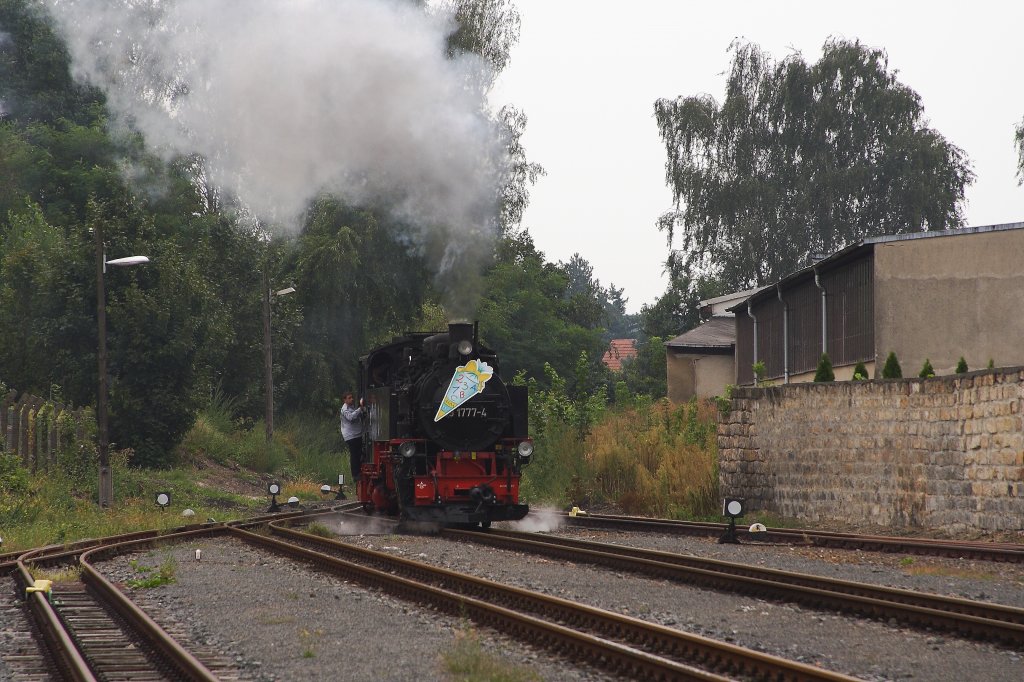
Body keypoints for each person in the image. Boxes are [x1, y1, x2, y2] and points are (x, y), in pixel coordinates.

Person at [340, 392, 366, 481]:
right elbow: (351, 417)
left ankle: (359, 471)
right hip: (351, 436)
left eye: (352, 397)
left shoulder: (352, 407)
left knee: (359, 453)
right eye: (349, 398)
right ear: (345, 400)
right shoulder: (345, 409)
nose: (352, 399)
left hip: (357, 434)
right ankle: (355, 474)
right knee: (354, 454)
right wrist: (360, 409)